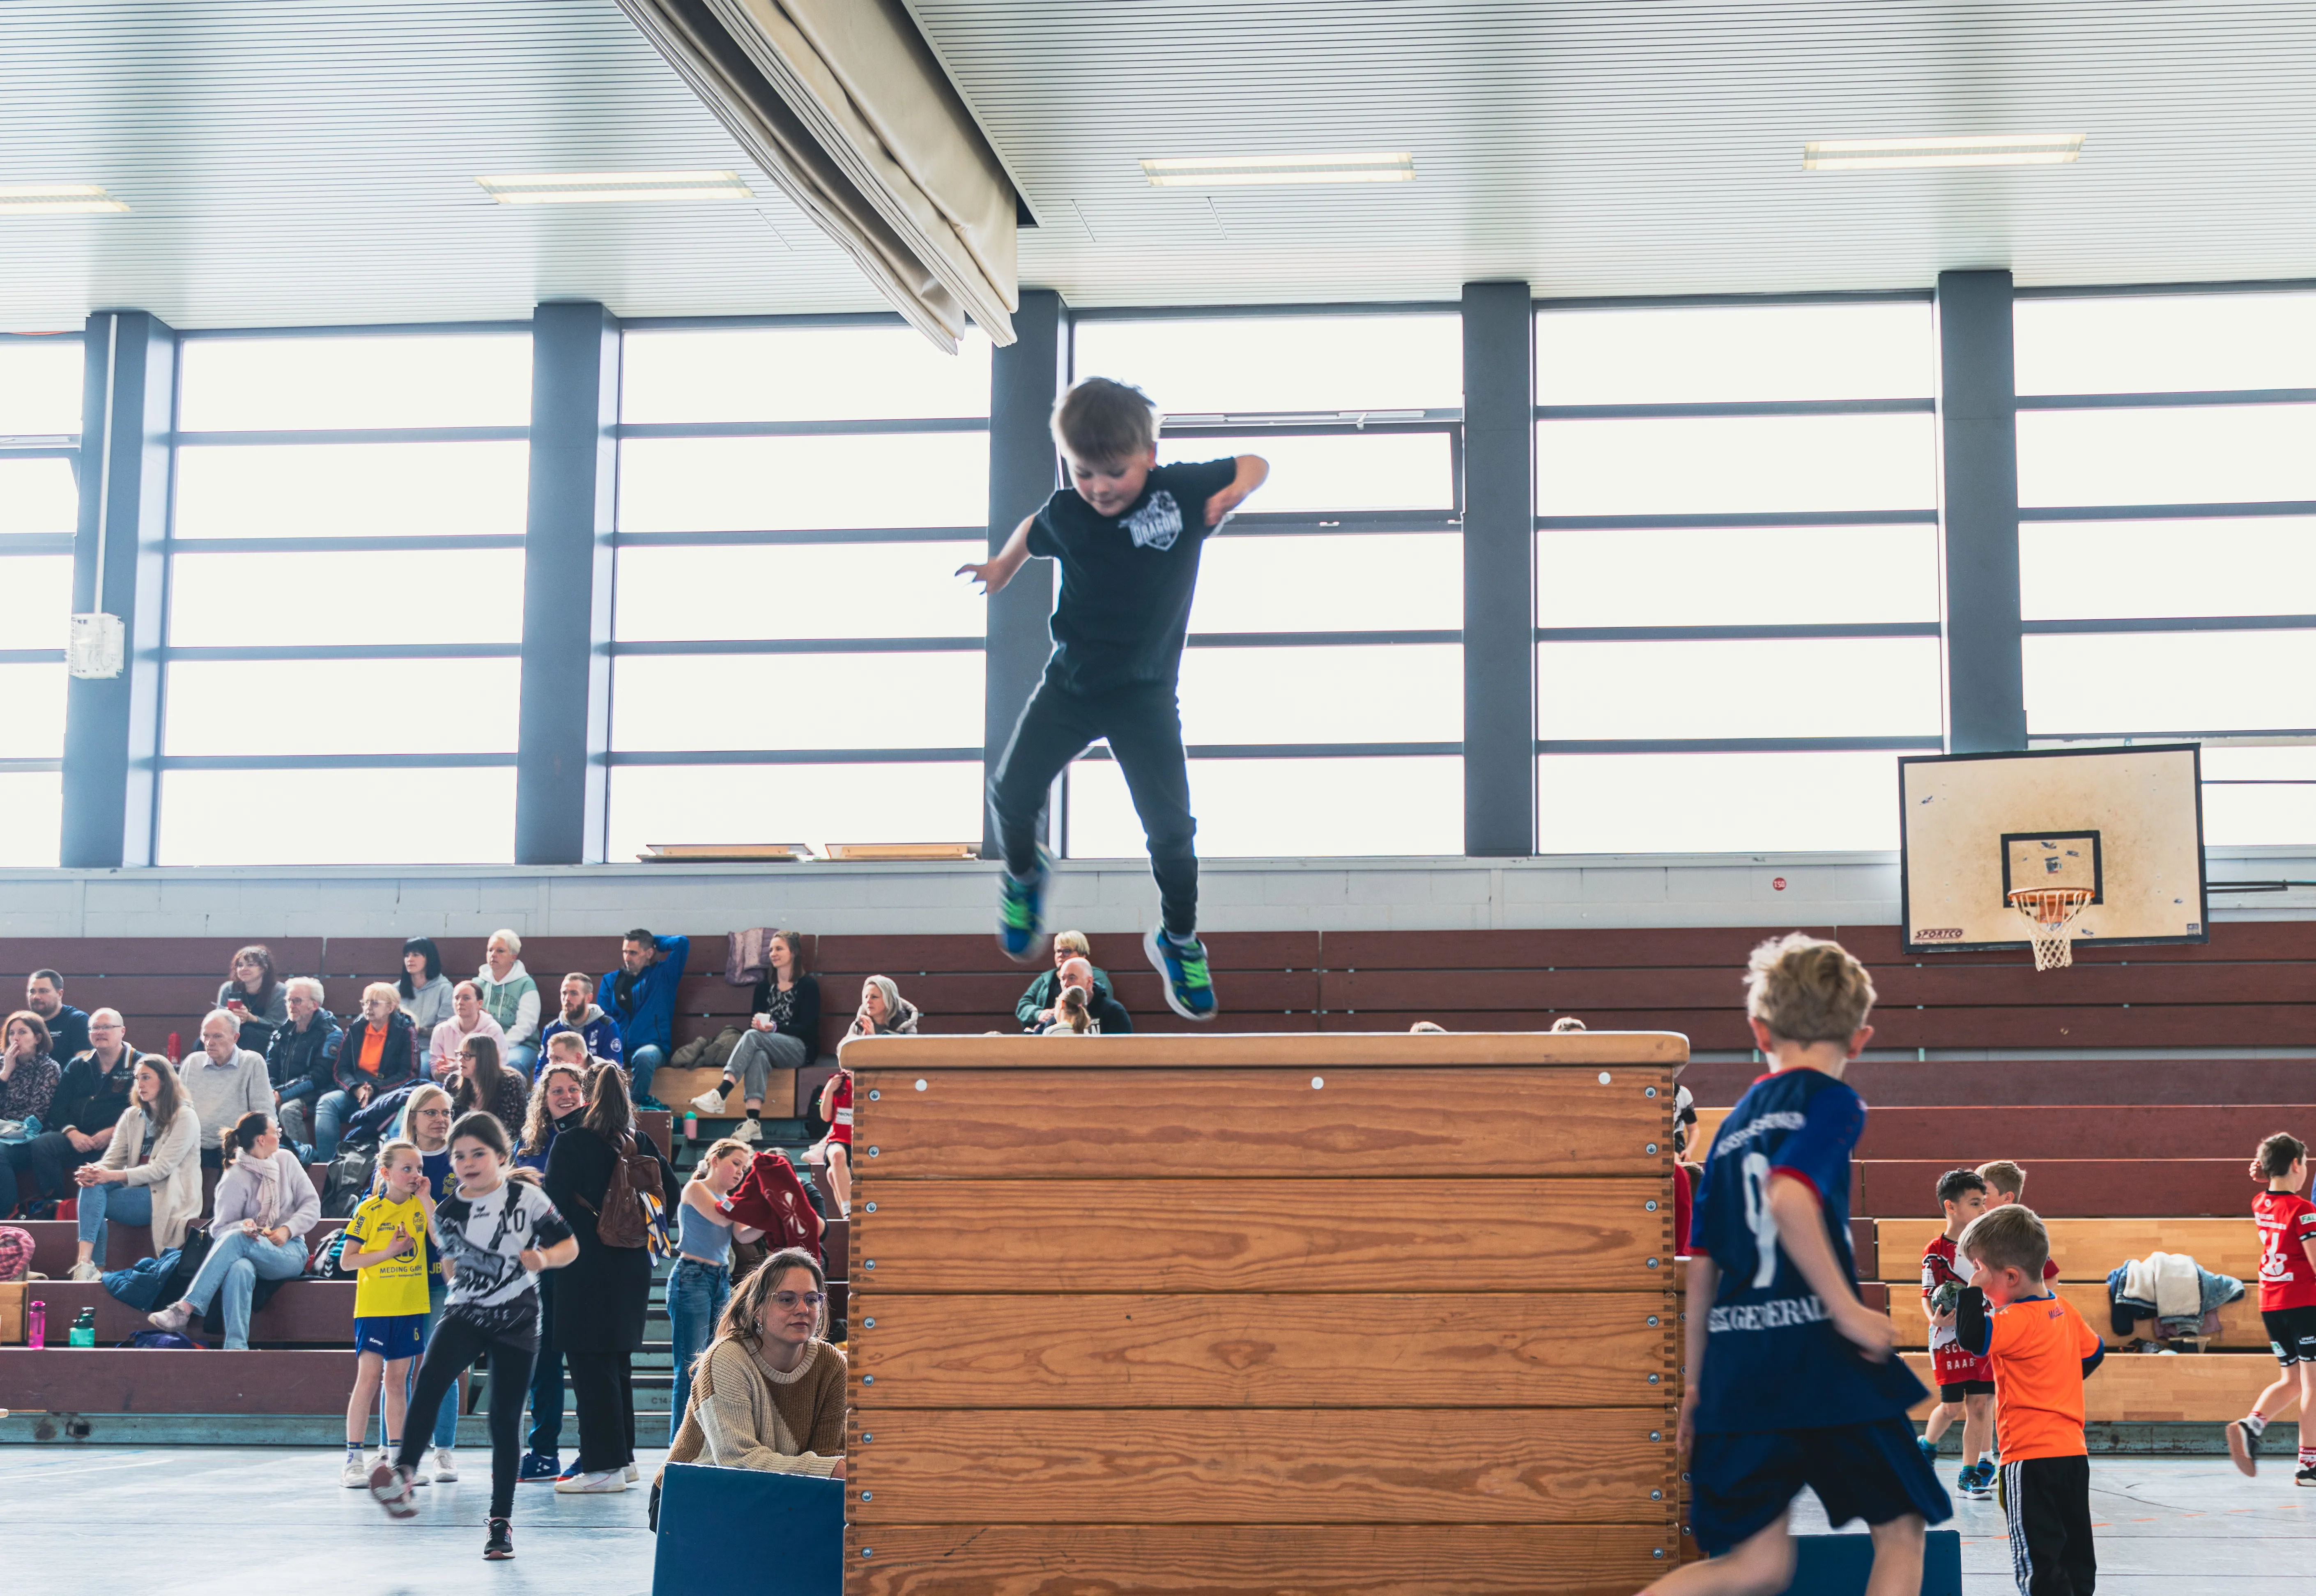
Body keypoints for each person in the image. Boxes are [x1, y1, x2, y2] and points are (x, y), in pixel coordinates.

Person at [961, 376, 1268, 1022]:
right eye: (1082, 473)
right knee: (1009, 793)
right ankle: (1024, 873)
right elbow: (1031, 529)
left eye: (1114, 473)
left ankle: (1177, 939)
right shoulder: (1067, 512)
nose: (1099, 487)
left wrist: (1236, 491)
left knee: (1172, 834)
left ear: (1149, 455)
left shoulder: (1180, 490)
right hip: (1069, 686)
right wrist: (1000, 567)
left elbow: (1254, 462)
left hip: (1145, 697)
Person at [1647, 934, 1944, 1596]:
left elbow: (1702, 1264)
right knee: (1899, 1532)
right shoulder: (1830, 1100)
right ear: (1860, 1037)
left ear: (1758, 1030)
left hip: (1735, 1367)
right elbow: (1787, 1195)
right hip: (1819, 1356)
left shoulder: (1727, 1129)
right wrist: (1847, 1310)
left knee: (1753, 1565)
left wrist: (1695, 1386)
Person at [369, 1111, 580, 1562]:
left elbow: (570, 1245)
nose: (466, 1162)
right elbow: (449, 1262)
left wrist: (539, 1259)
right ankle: (404, 1473)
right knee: (428, 1381)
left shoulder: (527, 1197)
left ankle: (499, 1524)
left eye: (477, 1153)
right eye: (458, 1155)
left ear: (501, 1156)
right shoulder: (449, 1209)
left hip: (518, 1320)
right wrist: (456, 1266)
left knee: (504, 1421)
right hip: (465, 1312)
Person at [1934, 1204, 2103, 1594]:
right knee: (2076, 1554)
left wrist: (1971, 1294)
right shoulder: (2064, 1310)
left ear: (2010, 1277)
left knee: (2037, 1562)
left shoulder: (2013, 1321)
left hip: (2028, 1458)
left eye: (1979, 1272)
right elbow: (2093, 1352)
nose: (1973, 1279)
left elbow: (1973, 1338)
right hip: (2072, 1455)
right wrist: (2056, 1381)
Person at [544, 1064, 678, 1493]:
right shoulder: (637, 1140)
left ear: (586, 1095)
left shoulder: (570, 1142)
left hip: (585, 1267)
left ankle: (602, 1467)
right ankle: (624, 1459)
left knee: (588, 1364)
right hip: (632, 1264)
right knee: (617, 1362)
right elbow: (670, 1192)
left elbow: (552, 1209)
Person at [659, 1246, 845, 1488]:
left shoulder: (831, 1364)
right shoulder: (726, 1359)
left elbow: (828, 1456)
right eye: (787, 1300)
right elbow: (737, 1461)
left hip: (782, 1492)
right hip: (691, 1493)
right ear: (758, 1311)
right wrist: (830, 1469)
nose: (803, 1310)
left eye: (812, 1300)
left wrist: (831, 1469)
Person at [148, 1111, 317, 1347]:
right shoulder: (235, 1177)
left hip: (290, 1251)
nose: (280, 1136)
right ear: (261, 1139)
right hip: (250, 1247)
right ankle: (236, 1347)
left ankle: (184, 1309)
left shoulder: (286, 1160)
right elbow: (220, 1230)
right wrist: (243, 1225)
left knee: (238, 1242)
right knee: (239, 1267)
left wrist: (287, 1230)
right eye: (275, 1132)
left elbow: (312, 1205)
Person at [340, 1140, 434, 1488]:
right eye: (407, 1168)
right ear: (386, 1173)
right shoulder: (369, 1210)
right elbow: (347, 1261)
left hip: (411, 1305)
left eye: (419, 1169)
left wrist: (426, 1200)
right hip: (376, 1306)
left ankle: (399, 1461)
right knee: (368, 1379)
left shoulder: (421, 1206)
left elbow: (442, 1240)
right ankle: (353, 1461)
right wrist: (391, 1251)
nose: (415, 1175)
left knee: (398, 1382)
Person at [514, 1058, 588, 1482]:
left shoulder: (594, 1139)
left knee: (581, 1359)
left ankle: (593, 1449)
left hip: (581, 1264)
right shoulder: (527, 1148)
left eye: (572, 1089)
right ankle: (543, 1451)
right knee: (542, 1362)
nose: (565, 1096)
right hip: (537, 1267)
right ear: (543, 1098)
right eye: (556, 1090)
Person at [0, 1009, 147, 1221]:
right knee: (44, 1144)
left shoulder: (141, 1064)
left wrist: (115, 1132)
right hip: (78, 1137)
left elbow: (147, 1110)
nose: (100, 1032)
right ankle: (54, 1204)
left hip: (121, 1140)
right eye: (94, 1028)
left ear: (122, 1031)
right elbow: (58, 1108)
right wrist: (72, 1133)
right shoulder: (78, 1065)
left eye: (106, 1027)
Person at [70, 1055, 202, 1280]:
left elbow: (161, 1170)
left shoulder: (185, 1117)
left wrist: (109, 1175)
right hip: (134, 1190)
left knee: (95, 1199)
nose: (140, 1084)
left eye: (147, 1078)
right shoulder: (132, 1115)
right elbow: (112, 1159)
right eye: (137, 1078)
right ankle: (86, 1266)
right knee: (91, 1185)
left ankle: (93, 1269)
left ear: (166, 1081)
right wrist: (94, 1171)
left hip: (167, 1194)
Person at [2231, 1132, 2316, 1479]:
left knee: (2291, 1380)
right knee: (2312, 1385)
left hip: (2272, 1303)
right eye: (2305, 1164)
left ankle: (2251, 1426)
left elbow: (2271, 1186)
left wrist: (2264, 1174)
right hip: (2303, 1305)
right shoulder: (2304, 1210)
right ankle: (2308, 1464)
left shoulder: (2259, 1202)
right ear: (2296, 1165)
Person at [667, 1138, 764, 1442]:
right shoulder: (697, 1189)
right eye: (735, 1163)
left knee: (713, 1366)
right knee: (690, 1368)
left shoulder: (730, 1201)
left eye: (744, 1168)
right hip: (692, 1277)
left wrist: (770, 1216)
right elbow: (722, 1217)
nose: (740, 1172)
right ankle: (678, 1449)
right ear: (714, 1160)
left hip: (720, 1280)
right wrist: (755, 1201)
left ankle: (704, 1444)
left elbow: (742, 1234)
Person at [394, 1083, 462, 1478]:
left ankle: (444, 1450)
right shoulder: (399, 1158)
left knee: (442, 1364)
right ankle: (404, 1452)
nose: (440, 1120)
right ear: (414, 1118)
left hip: (444, 1275)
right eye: (432, 1113)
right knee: (401, 1364)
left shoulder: (460, 1161)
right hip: (401, 1274)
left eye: (446, 1113)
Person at [693, 931, 818, 1144]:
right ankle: (753, 1123)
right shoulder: (764, 987)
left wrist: (773, 1028)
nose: (773, 954)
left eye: (779, 949)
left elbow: (808, 1028)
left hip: (798, 1049)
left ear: (794, 953)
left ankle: (722, 1092)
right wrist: (760, 1026)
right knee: (758, 1054)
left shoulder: (807, 986)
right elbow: (756, 1023)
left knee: (754, 1038)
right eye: (771, 950)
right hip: (767, 1046)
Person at [1919, 1167, 1996, 1497]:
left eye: (1983, 1203)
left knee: (1979, 1404)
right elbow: (1926, 1294)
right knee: (1951, 1408)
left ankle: (1969, 1474)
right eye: (1975, 1203)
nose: (1982, 1210)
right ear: (1951, 1206)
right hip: (1946, 1339)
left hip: (1980, 1334)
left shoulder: (1988, 1247)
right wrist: (1935, 1320)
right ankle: (1925, 1445)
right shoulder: (1935, 1251)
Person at [820, 976, 919, 1217]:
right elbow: (846, 1056)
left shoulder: (907, 1026)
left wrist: (873, 1038)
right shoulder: (858, 1025)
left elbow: (902, 1062)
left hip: (891, 1099)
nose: (868, 1001)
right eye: (866, 996)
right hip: (859, 1095)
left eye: (875, 996)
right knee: (834, 1169)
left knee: (842, 1167)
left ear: (888, 999)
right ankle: (850, 1213)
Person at [317, 983, 421, 1161]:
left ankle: (388, 1165)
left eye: (374, 1003)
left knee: (395, 1114)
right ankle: (327, 1165)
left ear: (390, 1007)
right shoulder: (356, 1029)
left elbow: (409, 1074)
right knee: (327, 1103)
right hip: (358, 1088)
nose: (368, 1008)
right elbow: (340, 1069)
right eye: (365, 1003)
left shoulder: (405, 1031)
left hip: (387, 1090)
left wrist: (375, 1088)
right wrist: (355, 1087)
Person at [597, 929, 686, 1111]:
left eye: (634, 953)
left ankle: (633, 1107)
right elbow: (603, 1020)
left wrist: (653, 941)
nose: (627, 958)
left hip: (652, 1047)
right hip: (619, 1048)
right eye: (625, 952)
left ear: (649, 953)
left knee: (644, 1057)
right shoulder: (610, 981)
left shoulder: (664, 975)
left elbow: (682, 944)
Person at [181, 1009, 273, 1170]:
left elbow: (264, 1114)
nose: (209, 1043)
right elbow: (179, 1109)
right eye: (206, 1036)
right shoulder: (193, 1062)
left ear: (236, 1037)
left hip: (236, 1148)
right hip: (193, 1147)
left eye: (217, 1036)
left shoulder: (251, 1062)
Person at [265, 977, 341, 1154]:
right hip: (283, 1092)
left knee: (288, 1111)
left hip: (317, 1094)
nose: (291, 1005)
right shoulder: (282, 1032)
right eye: (289, 1000)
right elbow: (269, 1068)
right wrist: (271, 1091)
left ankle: (303, 1159)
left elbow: (319, 1076)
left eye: (297, 1001)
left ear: (314, 1005)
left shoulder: (330, 1033)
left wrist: (281, 1094)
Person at [1013, 930, 1113, 1030]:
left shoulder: (1095, 976)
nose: (1061, 955)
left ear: (1082, 955)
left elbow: (1100, 1003)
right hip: (1044, 1033)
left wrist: (1062, 1015)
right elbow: (1023, 1005)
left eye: (1067, 951)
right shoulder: (1046, 979)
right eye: (1058, 951)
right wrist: (1039, 1014)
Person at [475, 930, 541, 1077]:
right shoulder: (476, 984)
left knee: (512, 1064)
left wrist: (500, 1046)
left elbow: (527, 1025)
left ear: (513, 957)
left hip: (521, 1046)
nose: (493, 955)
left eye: (500, 951)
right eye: (490, 950)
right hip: (482, 1046)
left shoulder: (526, 984)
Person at [444, 1034, 528, 1141]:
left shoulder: (511, 1083)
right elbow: (449, 1124)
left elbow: (510, 1131)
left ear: (485, 1059)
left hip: (499, 1148)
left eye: (467, 1055)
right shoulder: (453, 1082)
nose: (461, 1060)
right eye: (460, 1054)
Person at [539, 971, 623, 1076]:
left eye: (574, 993)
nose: (567, 999)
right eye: (564, 993)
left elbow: (615, 1070)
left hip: (598, 1088)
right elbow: (540, 1072)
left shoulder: (606, 1026)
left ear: (588, 998)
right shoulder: (552, 1029)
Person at [428, 980, 507, 1082]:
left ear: (480, 1004)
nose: (460, 1002)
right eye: (457, 998)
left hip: (485, 1087)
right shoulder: (441, 1030)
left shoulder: (493, 1030)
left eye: (466, 998)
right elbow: (436, 1073)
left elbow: (497, 1069)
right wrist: (443, 1070)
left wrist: (457, 1066)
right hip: (450, 1085)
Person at [217, 944, 289, 1057]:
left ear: (264, 968)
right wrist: (228, 1016)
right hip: (233, 1032)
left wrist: (250, 1018)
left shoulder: (279, 991)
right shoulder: (228, 988)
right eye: (240, 965)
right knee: (202, 1042)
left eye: (250, 965)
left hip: (267, 1036)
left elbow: (277, 1024)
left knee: (248, 1034)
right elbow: (218, 1021)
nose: (244, 969)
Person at [1035, 956, 1132, 1035]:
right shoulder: (1058, 1016)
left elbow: (1127, 1051)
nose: (1065, 984)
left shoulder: (1113, 1012)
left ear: (1089, 982)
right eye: (1062, 979)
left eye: (1072, 978)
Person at [0, 1010, 60, 1131]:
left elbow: (37, 1114)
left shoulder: (49, 1068)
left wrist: (3, 1124)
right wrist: (6, 1072)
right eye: (11, 1033)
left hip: (25, 1131)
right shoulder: (2, 1063)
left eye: (22, 1032)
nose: (16, 1038)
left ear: (37, 1039)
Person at [23, 970, 89, 1065]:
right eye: (32, 991)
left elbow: (83, 1067)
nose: (36, 997)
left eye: (43, 991)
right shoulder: (24, 1022)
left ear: (60, 994)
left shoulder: (78, 1020)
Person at [397, 937, 455, 1040]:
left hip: (430, 1047)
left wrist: (419, 1030)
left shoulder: (445, 989)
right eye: (407, 955)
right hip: (401, 1046)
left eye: (416, 955)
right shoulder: (395, 989)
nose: (410, 959)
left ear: (429, 958)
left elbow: (445, 1029)